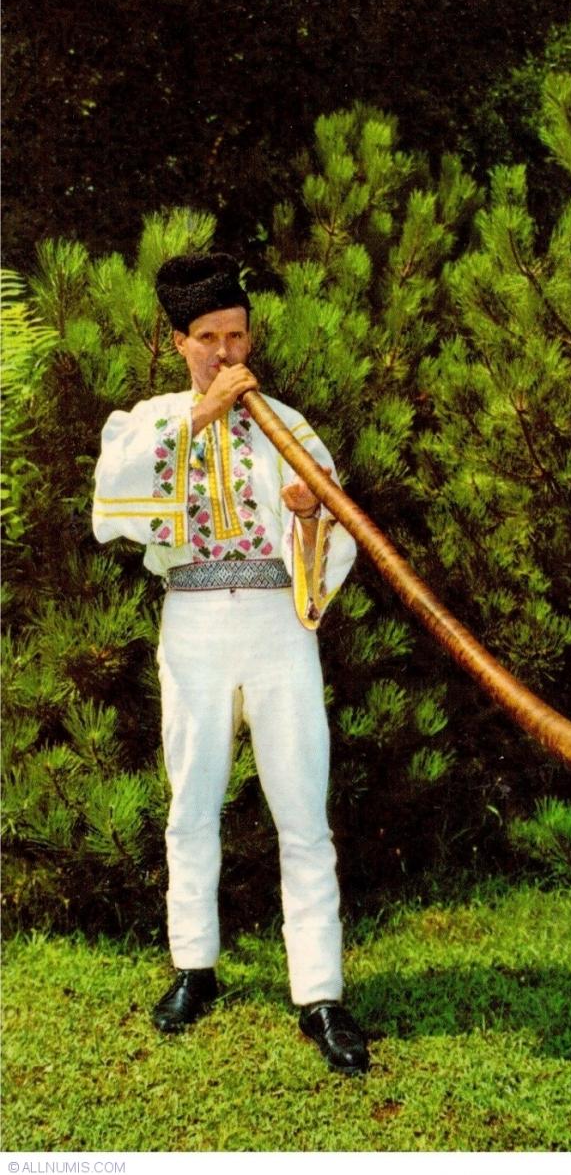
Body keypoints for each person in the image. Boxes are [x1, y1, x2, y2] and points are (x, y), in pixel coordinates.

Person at [92, 252, 369, 1074]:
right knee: (192, 802)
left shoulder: (289, 424)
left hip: (280, 623)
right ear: (178, 340)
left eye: (237, 336)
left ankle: (320, 994)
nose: (225, 352)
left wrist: (309, 517)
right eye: (208, 337)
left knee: (303, 809)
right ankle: (194, 968)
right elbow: (113, 504)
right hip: (195, 621)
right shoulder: (148, 421)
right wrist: (200, 417)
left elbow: (338, 536)